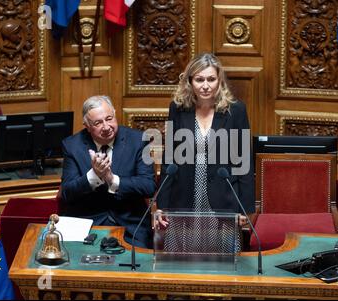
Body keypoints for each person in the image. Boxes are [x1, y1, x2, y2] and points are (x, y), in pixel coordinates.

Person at [156, 53, 255, 252]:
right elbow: (170, 159)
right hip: (184, 194)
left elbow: (244, 161)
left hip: (223, 197)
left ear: (220, 81)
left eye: (211, 79)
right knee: (183, 261)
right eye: (199, 79)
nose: (205, 85)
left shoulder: (235, 110)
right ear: (190, 82)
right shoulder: (178, 108)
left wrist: (244, 207)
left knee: (223, 261)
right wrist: (162, 204)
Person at [60, 95, 156, 248]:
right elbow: (67, 193)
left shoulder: (138, 140)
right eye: (98, 123)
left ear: (115, 114)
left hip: (131, 225)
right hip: (86, 223)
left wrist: (112, 180)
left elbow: (149, 186)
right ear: (87, 126)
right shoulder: (72, 145)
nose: (106, 127)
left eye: (109, 118)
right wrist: (94, 176)